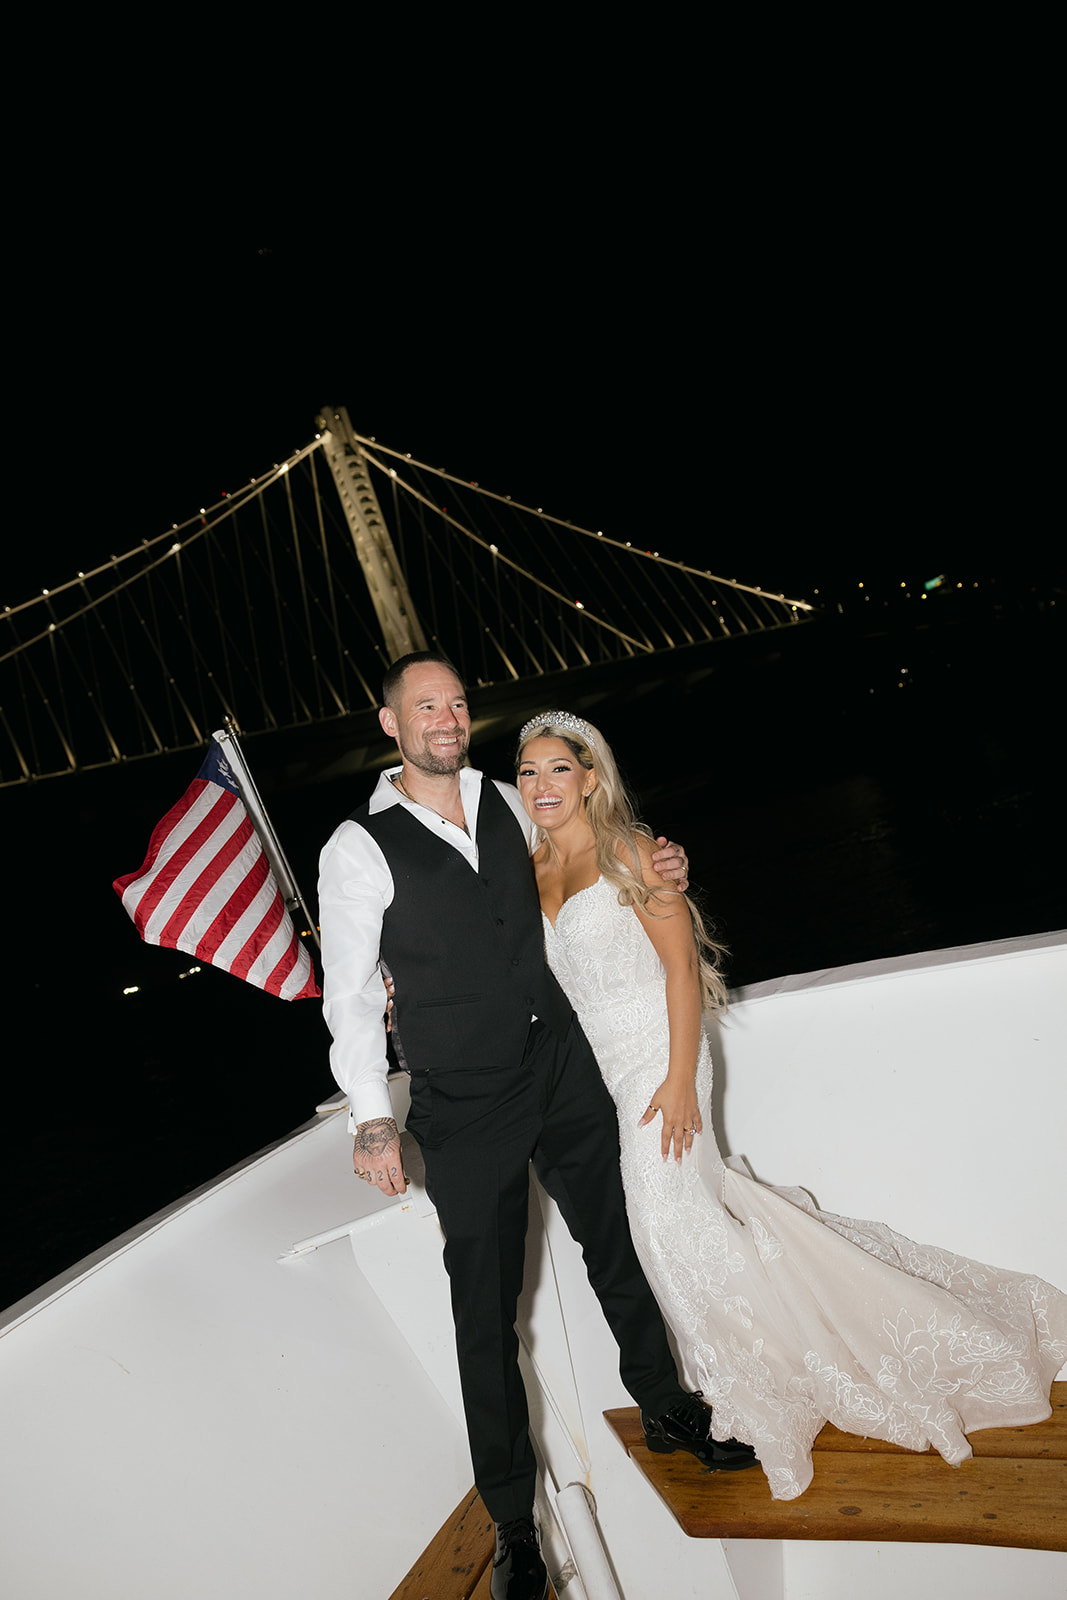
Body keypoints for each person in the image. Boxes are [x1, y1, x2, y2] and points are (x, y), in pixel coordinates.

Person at [515, 710, 1067, 1502]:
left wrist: (676, 1081)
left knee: (664, 1227)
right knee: (687, 1229)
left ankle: (757, 1389)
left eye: (557, 769)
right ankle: (771, 1370)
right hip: (607, 1071)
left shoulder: (630, 853)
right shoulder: (528, 871)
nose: (541, 785)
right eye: (528, 772)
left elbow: (678, 972)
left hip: (661, 1063)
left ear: (590, 778)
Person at [317, 654, 756, 1600]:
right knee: (484, 1317)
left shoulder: (507, 800)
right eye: (423, 706)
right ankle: (515, 1524)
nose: (446, 718)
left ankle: (668, 1405)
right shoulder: (356, 847)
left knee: (617, 1247)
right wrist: (369, 1122)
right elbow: (349, 993)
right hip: (463, 1102)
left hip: (559, 1066)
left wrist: (662, 860)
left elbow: (584, 852)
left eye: (457, 703)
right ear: (389, 724)